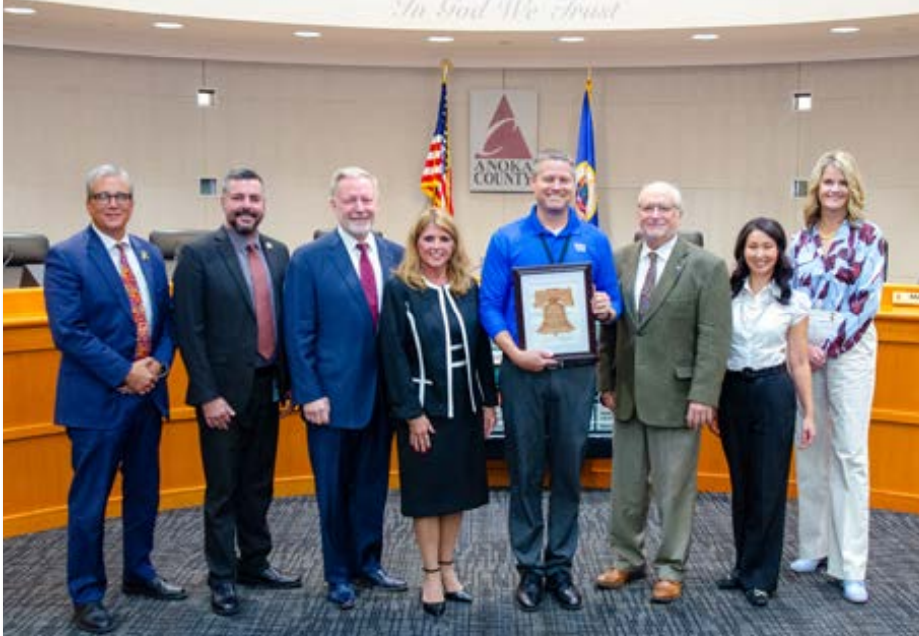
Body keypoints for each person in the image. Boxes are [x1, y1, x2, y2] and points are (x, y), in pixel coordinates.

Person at [44, 164, 186, 634]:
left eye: (121, 196)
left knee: (144, 494)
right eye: (103, 196)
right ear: (88, 203)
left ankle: (139, 574)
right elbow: (69, 331)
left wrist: (157, 368)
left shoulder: (147, 254)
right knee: (90, 503)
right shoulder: (66, 256)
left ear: (132, 203)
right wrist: (124, 371)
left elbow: (167, 322)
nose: (113, 203)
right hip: (96, 402)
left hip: (147, 397)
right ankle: (86, 595)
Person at [479, 149, 621, 612]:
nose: (557, 187)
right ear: (533, 185)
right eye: (548, 179)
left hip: (577, 374)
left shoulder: (594, 239)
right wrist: (515, 354)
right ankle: (529, 571)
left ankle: (560, 568)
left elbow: (612, 299)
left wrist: (606, 308)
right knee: (523, 472)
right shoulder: (507, 239)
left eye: (564, 180)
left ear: (573, 188)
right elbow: (489, 306)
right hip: (522, 372)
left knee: (567, 473)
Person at [595, 181, 732, 604]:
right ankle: (626, 559)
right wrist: (606, 383)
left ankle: (671, 568)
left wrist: (704, 395)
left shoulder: (706, 266)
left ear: (679, 215)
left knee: (675, 489)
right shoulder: (619, 260)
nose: (655, 214)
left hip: (679, 397)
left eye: (664, 208)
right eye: (647, 207)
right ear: (638, 212)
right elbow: (608, 328)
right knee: (626, 486)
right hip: (628, 394)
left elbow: (714, 336)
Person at [173, 168, 300, 618]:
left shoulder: (279, 252)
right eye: (238, 198)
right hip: (221, 398)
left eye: (254, 198)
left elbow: (287, 322)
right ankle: (222, 577)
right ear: (223, 202)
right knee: (223, 490)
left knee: (258, 485)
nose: (247, 205)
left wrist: (289, 383)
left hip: (267, 388)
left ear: (264, 204)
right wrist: (207, 395)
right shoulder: (197, 255)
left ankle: (255, 562)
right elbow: (190, 330)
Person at [284, 166, 407, 610]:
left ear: (376, 202)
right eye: (350, 199)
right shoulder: (309, 258)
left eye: (366, 199)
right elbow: (297, 333)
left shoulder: (397, 254)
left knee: (372, 486)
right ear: (334, 204)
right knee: (333, 492)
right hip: (330, 401)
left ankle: (368, 562)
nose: (359, 207)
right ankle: (338, 574)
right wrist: (309, 393)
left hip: (384, 397)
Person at [379, 208, 498, 617]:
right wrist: (411, 413)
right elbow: (392, 354)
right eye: (428, 239)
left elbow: (482, 349)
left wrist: (489, 401)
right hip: (424, 413)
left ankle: (449, 569)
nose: (436, 247)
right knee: (427, 497)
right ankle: (430, 573)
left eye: (443, 239)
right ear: (416, 244)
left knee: (456, 494)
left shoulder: (469, 287)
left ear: (454, 245)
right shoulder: (400, 289)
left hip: (464, 410)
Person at [787, 150, 888, 604]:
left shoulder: (870, 237)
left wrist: (828, 346)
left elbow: (866, 300)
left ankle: (850, 564)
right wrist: (803, 346)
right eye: (826, 183)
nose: (833, 190)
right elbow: (788, 295)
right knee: (810, 445)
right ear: (816, 189)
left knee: (849, 454)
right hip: (804, 344)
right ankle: (815, 546)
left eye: (841, 183)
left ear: (853, 189)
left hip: (850, 347)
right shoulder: (799, 240)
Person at [715, 217, 816, 607]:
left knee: (769, 487)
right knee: (742, 485)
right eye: (753, 246)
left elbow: (799, 360)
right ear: (741, 251)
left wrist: (809, 413)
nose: (760, 254)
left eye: (768, 247)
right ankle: (742, 567)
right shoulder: (726, 292)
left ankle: (763, 577)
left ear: (779, 252)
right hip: (733, 392)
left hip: (774, 391)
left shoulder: (794, 299)